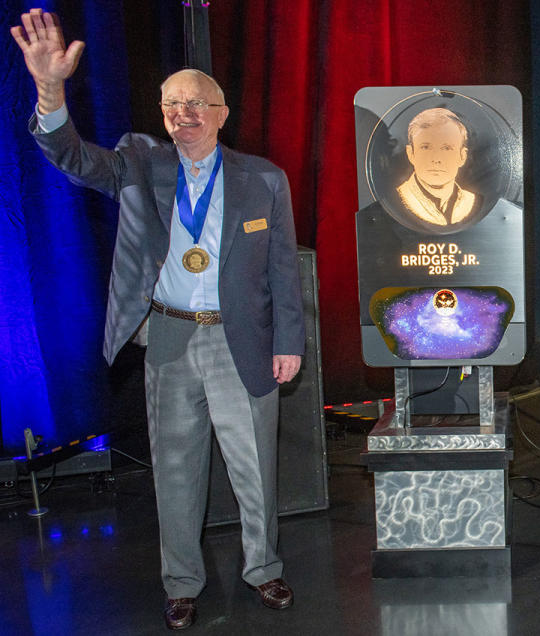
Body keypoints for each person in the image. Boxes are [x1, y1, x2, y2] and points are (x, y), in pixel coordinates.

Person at [11, 9, 305, 629]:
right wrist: (49, 89)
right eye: (172, 103)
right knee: (175, 471)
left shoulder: (264, 179)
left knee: (255, 468)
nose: (183, 112)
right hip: (169, 336)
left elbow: (283, 270)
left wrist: (290, 341)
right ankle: (182, 583)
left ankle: (265, 571)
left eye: (197, 102)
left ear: (222, 114)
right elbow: (68, 154)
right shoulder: (138, 163)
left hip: (242, 341)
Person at [396, 107, 481, 226]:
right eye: (425, 147)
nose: (436, 159)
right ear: (411, 154)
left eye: (446, 148)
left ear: (462, 156)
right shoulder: (395, 200)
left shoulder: (476, 204)